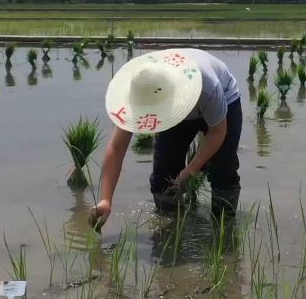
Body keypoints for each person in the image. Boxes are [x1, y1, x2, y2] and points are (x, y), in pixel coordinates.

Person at [91, 49, 242, 228]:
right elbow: (116, 148)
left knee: (223, 170)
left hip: (224, 100)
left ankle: (225, 229)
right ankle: (171, 230)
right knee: (163, 177)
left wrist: (190, 170)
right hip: (172, 106)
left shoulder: (208, 86)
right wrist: (106, 199)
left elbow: (217, 132)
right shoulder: (140, 89)